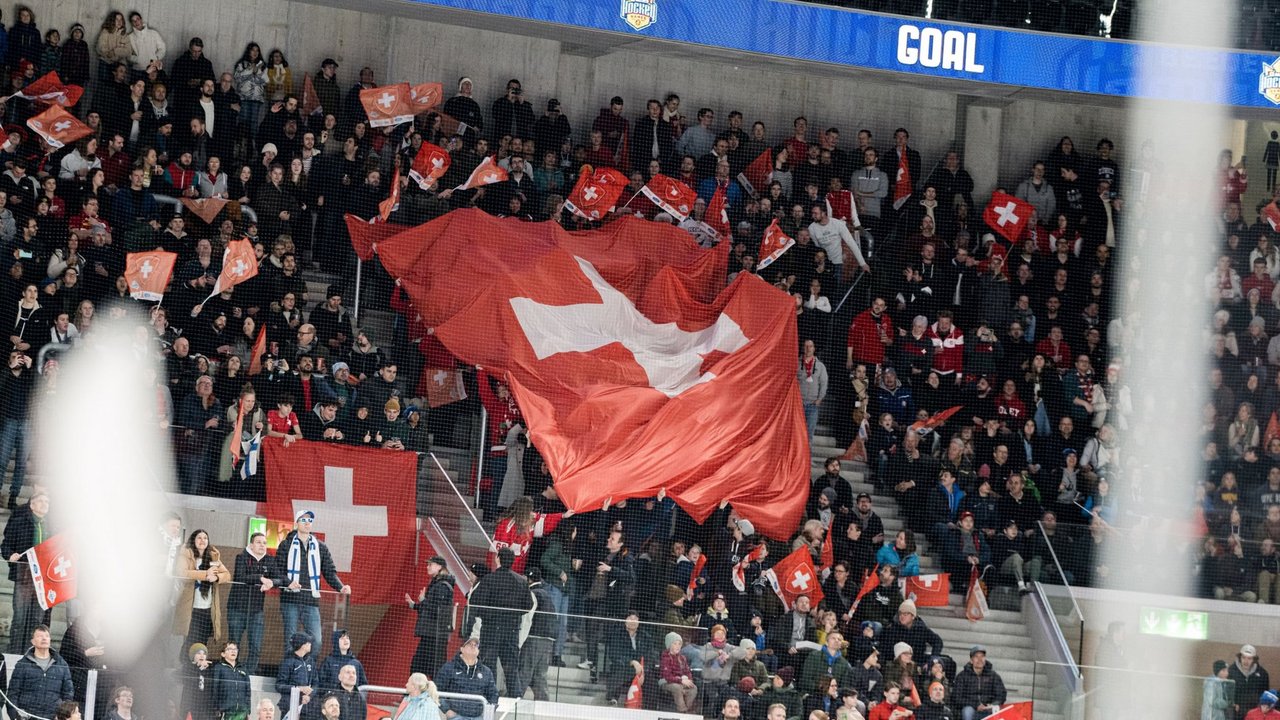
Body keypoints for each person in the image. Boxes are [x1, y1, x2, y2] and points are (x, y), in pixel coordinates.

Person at [275, 510, 350, 657]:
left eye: (310, 520)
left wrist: (340, 586)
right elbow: (276, 570)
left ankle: (306, 669)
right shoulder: (285, 545)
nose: (307, 523)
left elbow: (329, 571)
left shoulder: (320, 547)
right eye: (303, 520)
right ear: (296, 523)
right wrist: (288, 582)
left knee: (317, 640)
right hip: (290, 600)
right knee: (291, 640)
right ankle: (291, 672)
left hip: (311, 601)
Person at [465, 547, 533, 696]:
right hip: (512, 629)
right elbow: (528, 605)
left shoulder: (489, 579)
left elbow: (476, 602)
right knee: (511, 667)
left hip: (491, 628)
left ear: (498, 559)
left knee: (488, 664)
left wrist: (486, 614)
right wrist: (513, 614)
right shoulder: (521, 581)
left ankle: (490, 698)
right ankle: (515, 699)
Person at [1, 491, 52, 652]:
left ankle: (32, 653)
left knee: (37, 619)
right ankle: (15, 652)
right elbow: (6, 546)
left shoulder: (51, 527)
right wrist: (11, 555)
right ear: (32, 505)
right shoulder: (19, 523)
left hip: (43, 579)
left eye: (47, 502)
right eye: (41, 501)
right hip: (24, 577)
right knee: (20, 618)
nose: (45, 504)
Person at [173, 529, 231, 657]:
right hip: (191, 607)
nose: (202, 541)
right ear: (193, 540)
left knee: (203, 641)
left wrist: (217, 578)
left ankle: (197, 667)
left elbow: (227, 575)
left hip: (207, 608)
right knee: (191, 640)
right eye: (199, 538)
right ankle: (185, 665)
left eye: (205, 538)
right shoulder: (186, 554)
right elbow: (182, 573)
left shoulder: (212, 556)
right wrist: (206, 574)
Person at [227, 531, 275, 674]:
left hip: (256, 611)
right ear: (251, 544)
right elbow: (242, 576)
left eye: (265, 543)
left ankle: (249, 673)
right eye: (259, 542)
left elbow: (280, 578)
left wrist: (271, 582)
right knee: (234, 643)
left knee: (256, 645)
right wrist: (261, 578)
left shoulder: (270, 560)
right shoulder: (241, 557)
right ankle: (232, 671)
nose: (262, 545)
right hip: (236, 608)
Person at [9, 625, 73, 720]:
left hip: (53, 716)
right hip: (28, 717)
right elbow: (13, 693)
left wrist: (62, 716)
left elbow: (68, 693)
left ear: (50, 639)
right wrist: (16, 716)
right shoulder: (22, 664)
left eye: (47, 636)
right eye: (39, 636)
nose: (44, 639)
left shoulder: (62, 664)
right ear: (32, 641)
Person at [407, 556, 455, 679]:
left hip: (434, 635)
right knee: (424, 667)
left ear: (440, 567)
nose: (427, 567)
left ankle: (420, 694)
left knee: (422, 667)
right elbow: (431, 608)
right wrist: (414, 605)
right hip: (432, 634)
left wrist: (423, 601)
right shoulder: (438, 584)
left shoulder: (442, 586)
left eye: (430, 564)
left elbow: (438, 610)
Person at [435, 638, 498, 720]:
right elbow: (436, 691)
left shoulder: (486, 671)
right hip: (456, 716)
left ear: (478, 651)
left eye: (476, 645)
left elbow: (493, 694)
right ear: (462, 649)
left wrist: (487, 712)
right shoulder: (449, 668)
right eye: (469, 644)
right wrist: (447, 710)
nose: (473, 647)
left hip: (478, 717)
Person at [517, 568, 556, 701]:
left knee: (525, 671)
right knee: (540, 675)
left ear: (529, 578)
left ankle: (513, 700)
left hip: (534, 637)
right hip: (548, 639)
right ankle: (543, 705)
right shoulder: (546, 594)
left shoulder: (532, 593)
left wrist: (520, 639)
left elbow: (527, 618)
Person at [952, 646, 1006, 720]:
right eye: (976, 657)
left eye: (982, 656)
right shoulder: (962, 676)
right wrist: (976, 705)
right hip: (971, 707)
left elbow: (1001, 694)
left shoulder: (993, 676)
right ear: (971, 660)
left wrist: (993, 704)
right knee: (967, 711)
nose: (980, 659)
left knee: (998, 710)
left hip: (989, 707)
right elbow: (956, 697)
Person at [276, 633, 317, 716]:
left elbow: (316, 683)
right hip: (289, 706)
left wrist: (310, 695)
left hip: (307, 707)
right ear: (302, 645)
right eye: (308, 642)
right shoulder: (287, 662)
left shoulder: (311, 661)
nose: (310, 644)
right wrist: (299, 689)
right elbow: (279, 686)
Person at [660, 632, 698, 713]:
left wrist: (689, 680)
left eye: (679, 644)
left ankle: (686, 709)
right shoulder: (665, 658)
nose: (678, 646)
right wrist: (680, 680)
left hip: (680, 681)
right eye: (675, 644)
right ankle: (682, 711)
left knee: (693, 688)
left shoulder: (682, 658)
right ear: (669, 645)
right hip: (667, 682)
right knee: (677, 688)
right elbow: (667, 676)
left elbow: (687, 671)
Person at [1231, 645, 1272, 717]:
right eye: (1243, 657)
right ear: (1240, 657)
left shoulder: (1263, 674)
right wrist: (1232, 703)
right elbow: (1226, 692)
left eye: (1249, 658)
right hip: (1235, 713)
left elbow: (1265, 693)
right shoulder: (1231, 671)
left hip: (1254, 713)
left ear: (1254, 659)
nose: (1246, 661)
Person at [215, 643, 251, 720]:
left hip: (242, 712)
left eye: (235, 649)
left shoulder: (243, 669)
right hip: (226, 711)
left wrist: (248, 709)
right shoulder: (218, 668)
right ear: (223, 654)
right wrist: (216, 708)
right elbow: (215, 689)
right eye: (230, 649)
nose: (233, 651)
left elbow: (248, 691)